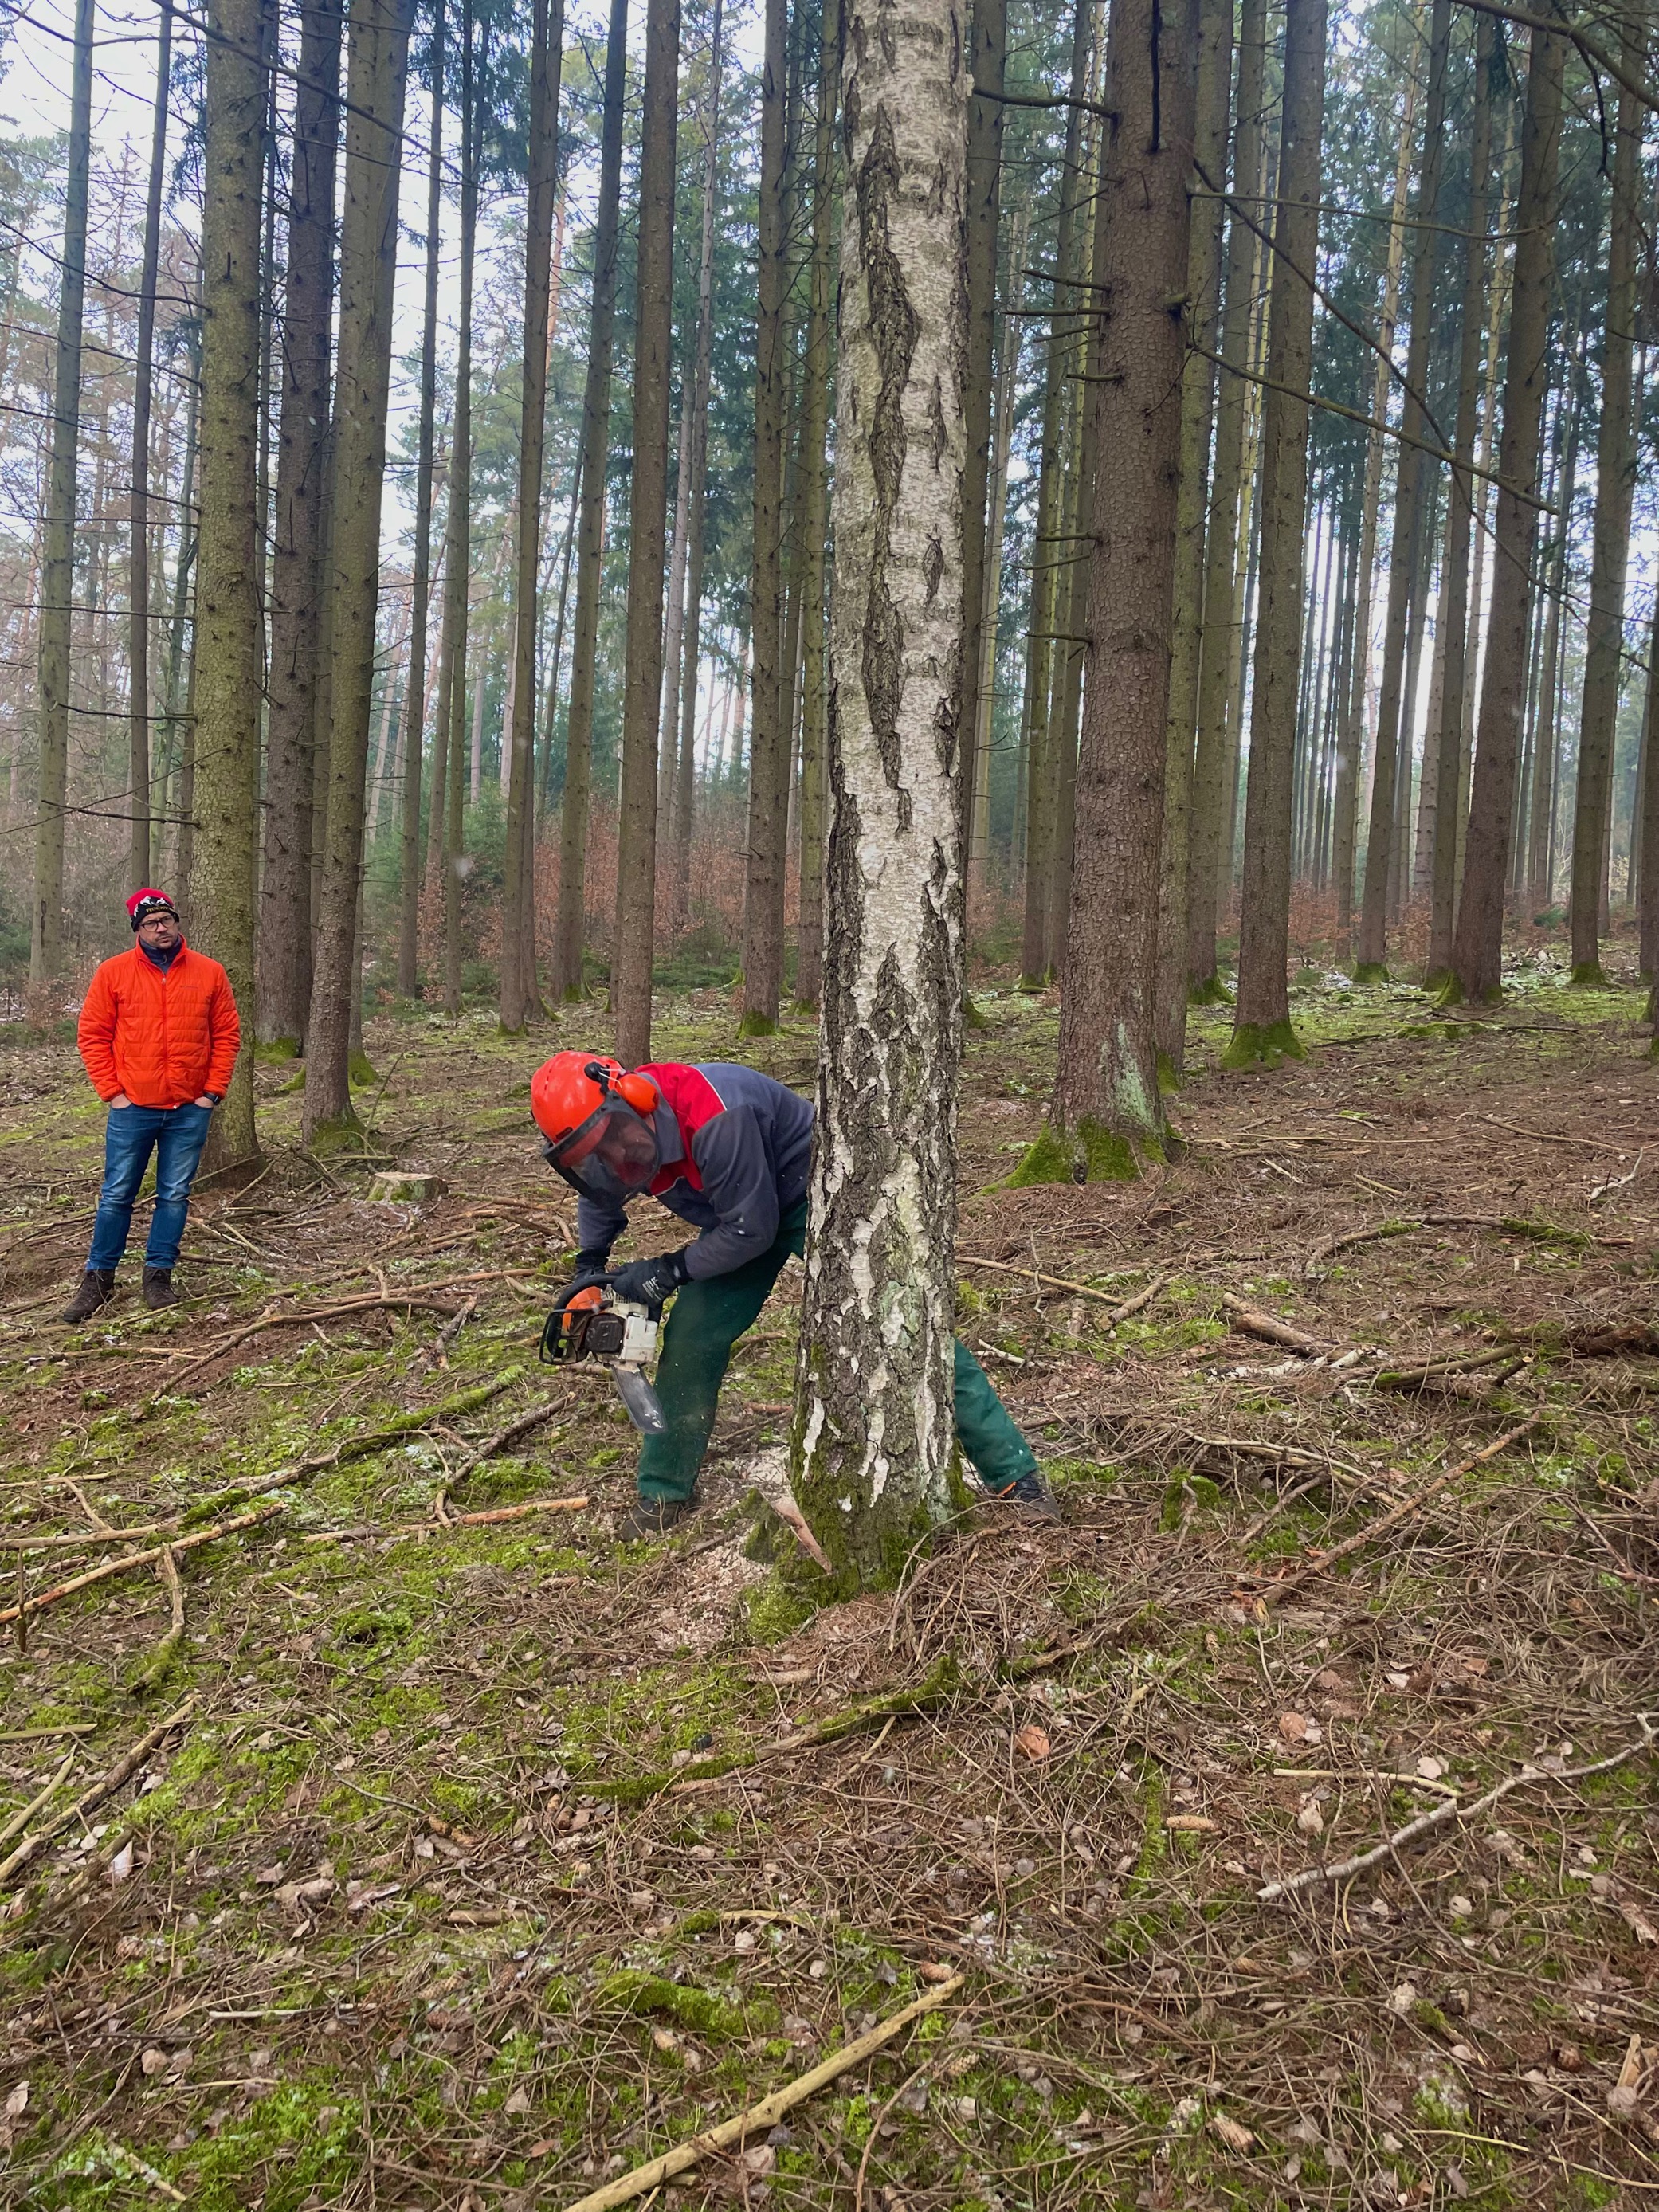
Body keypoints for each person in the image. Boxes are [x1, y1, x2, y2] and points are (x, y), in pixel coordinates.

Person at [531, 1051, 1056, 1540]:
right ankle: (663, 1494)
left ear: (631, 1099)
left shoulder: (716, 1114)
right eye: (591, 1155)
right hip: (734, 1218)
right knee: (692, 1336)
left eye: (611, 1139)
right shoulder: (618, 1144)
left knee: (901, 1318)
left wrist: (665, 1272)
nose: (613, 1156)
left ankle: (1015, 1474)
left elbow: (751, 1232)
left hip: (817, 1198)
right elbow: (603, 1196)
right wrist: (590, 1268)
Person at [61, 889, 240, 1323]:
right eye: (151, 923)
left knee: (174, 1195)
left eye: (167, 919)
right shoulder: (113, 973)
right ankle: (98, 1280)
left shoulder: (209, 973)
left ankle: (158, 1276)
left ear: (177, 923)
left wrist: (210, 1094)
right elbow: (93, 1036)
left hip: (188, 1109)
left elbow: (227, 1035)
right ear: (137, 930)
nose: (161, 928)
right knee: (117, 1194)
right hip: (133, 1107)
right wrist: (114, 1094)